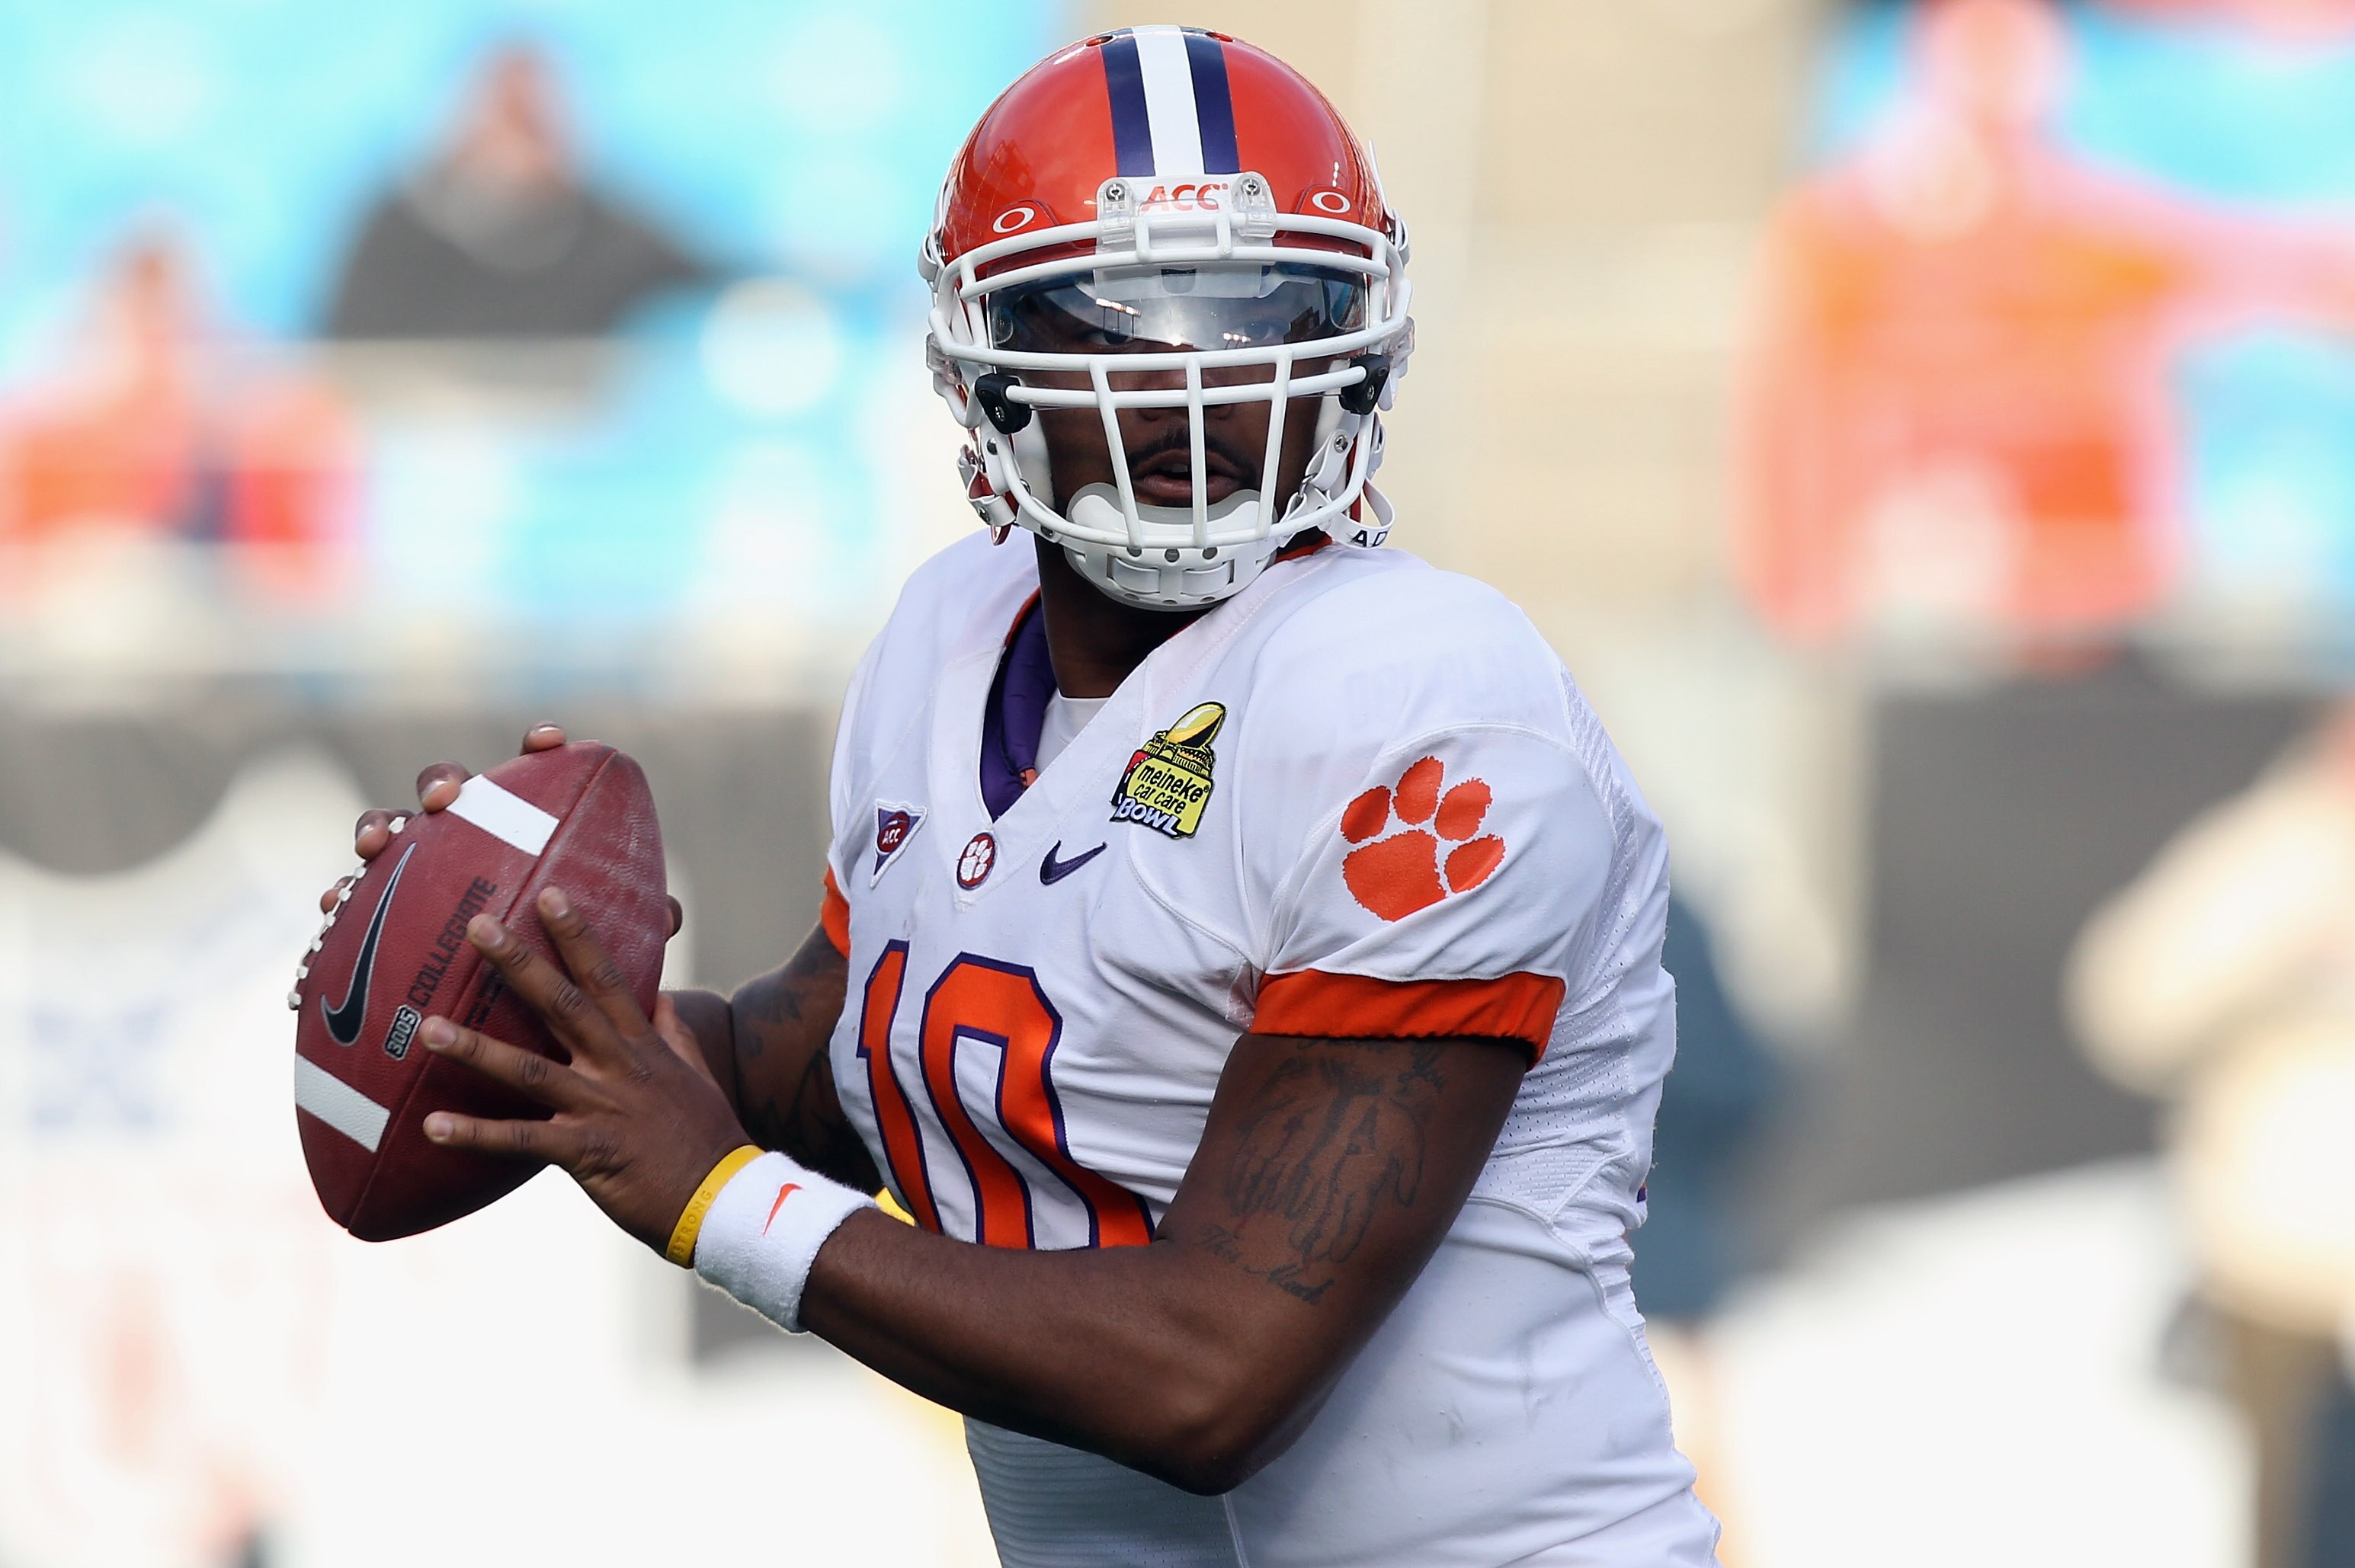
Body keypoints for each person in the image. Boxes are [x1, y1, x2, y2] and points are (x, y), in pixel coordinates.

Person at [328, 29, 1721, 1566]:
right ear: (982, 364)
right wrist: (524, 995)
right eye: (1117, 323)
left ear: (1357, 337)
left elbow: (1216, 1372)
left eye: (1263, 313)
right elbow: (845, 1072)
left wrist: (719, 1203)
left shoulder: (1423, 701)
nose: (1197, 382)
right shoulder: (948, 633)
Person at [2068, 702, 2355, 1568]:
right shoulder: (2272, 854)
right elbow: (2128, 1003)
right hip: (2287, 1276)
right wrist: (2282, 931)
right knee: (2302, 1522)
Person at [323, 44, 704, 341]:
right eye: (506, 117)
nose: (516, 148)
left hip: (571, 417)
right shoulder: (399, 232)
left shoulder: (613, 239)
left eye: (534, 125)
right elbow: (345, 353)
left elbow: (712, 286)